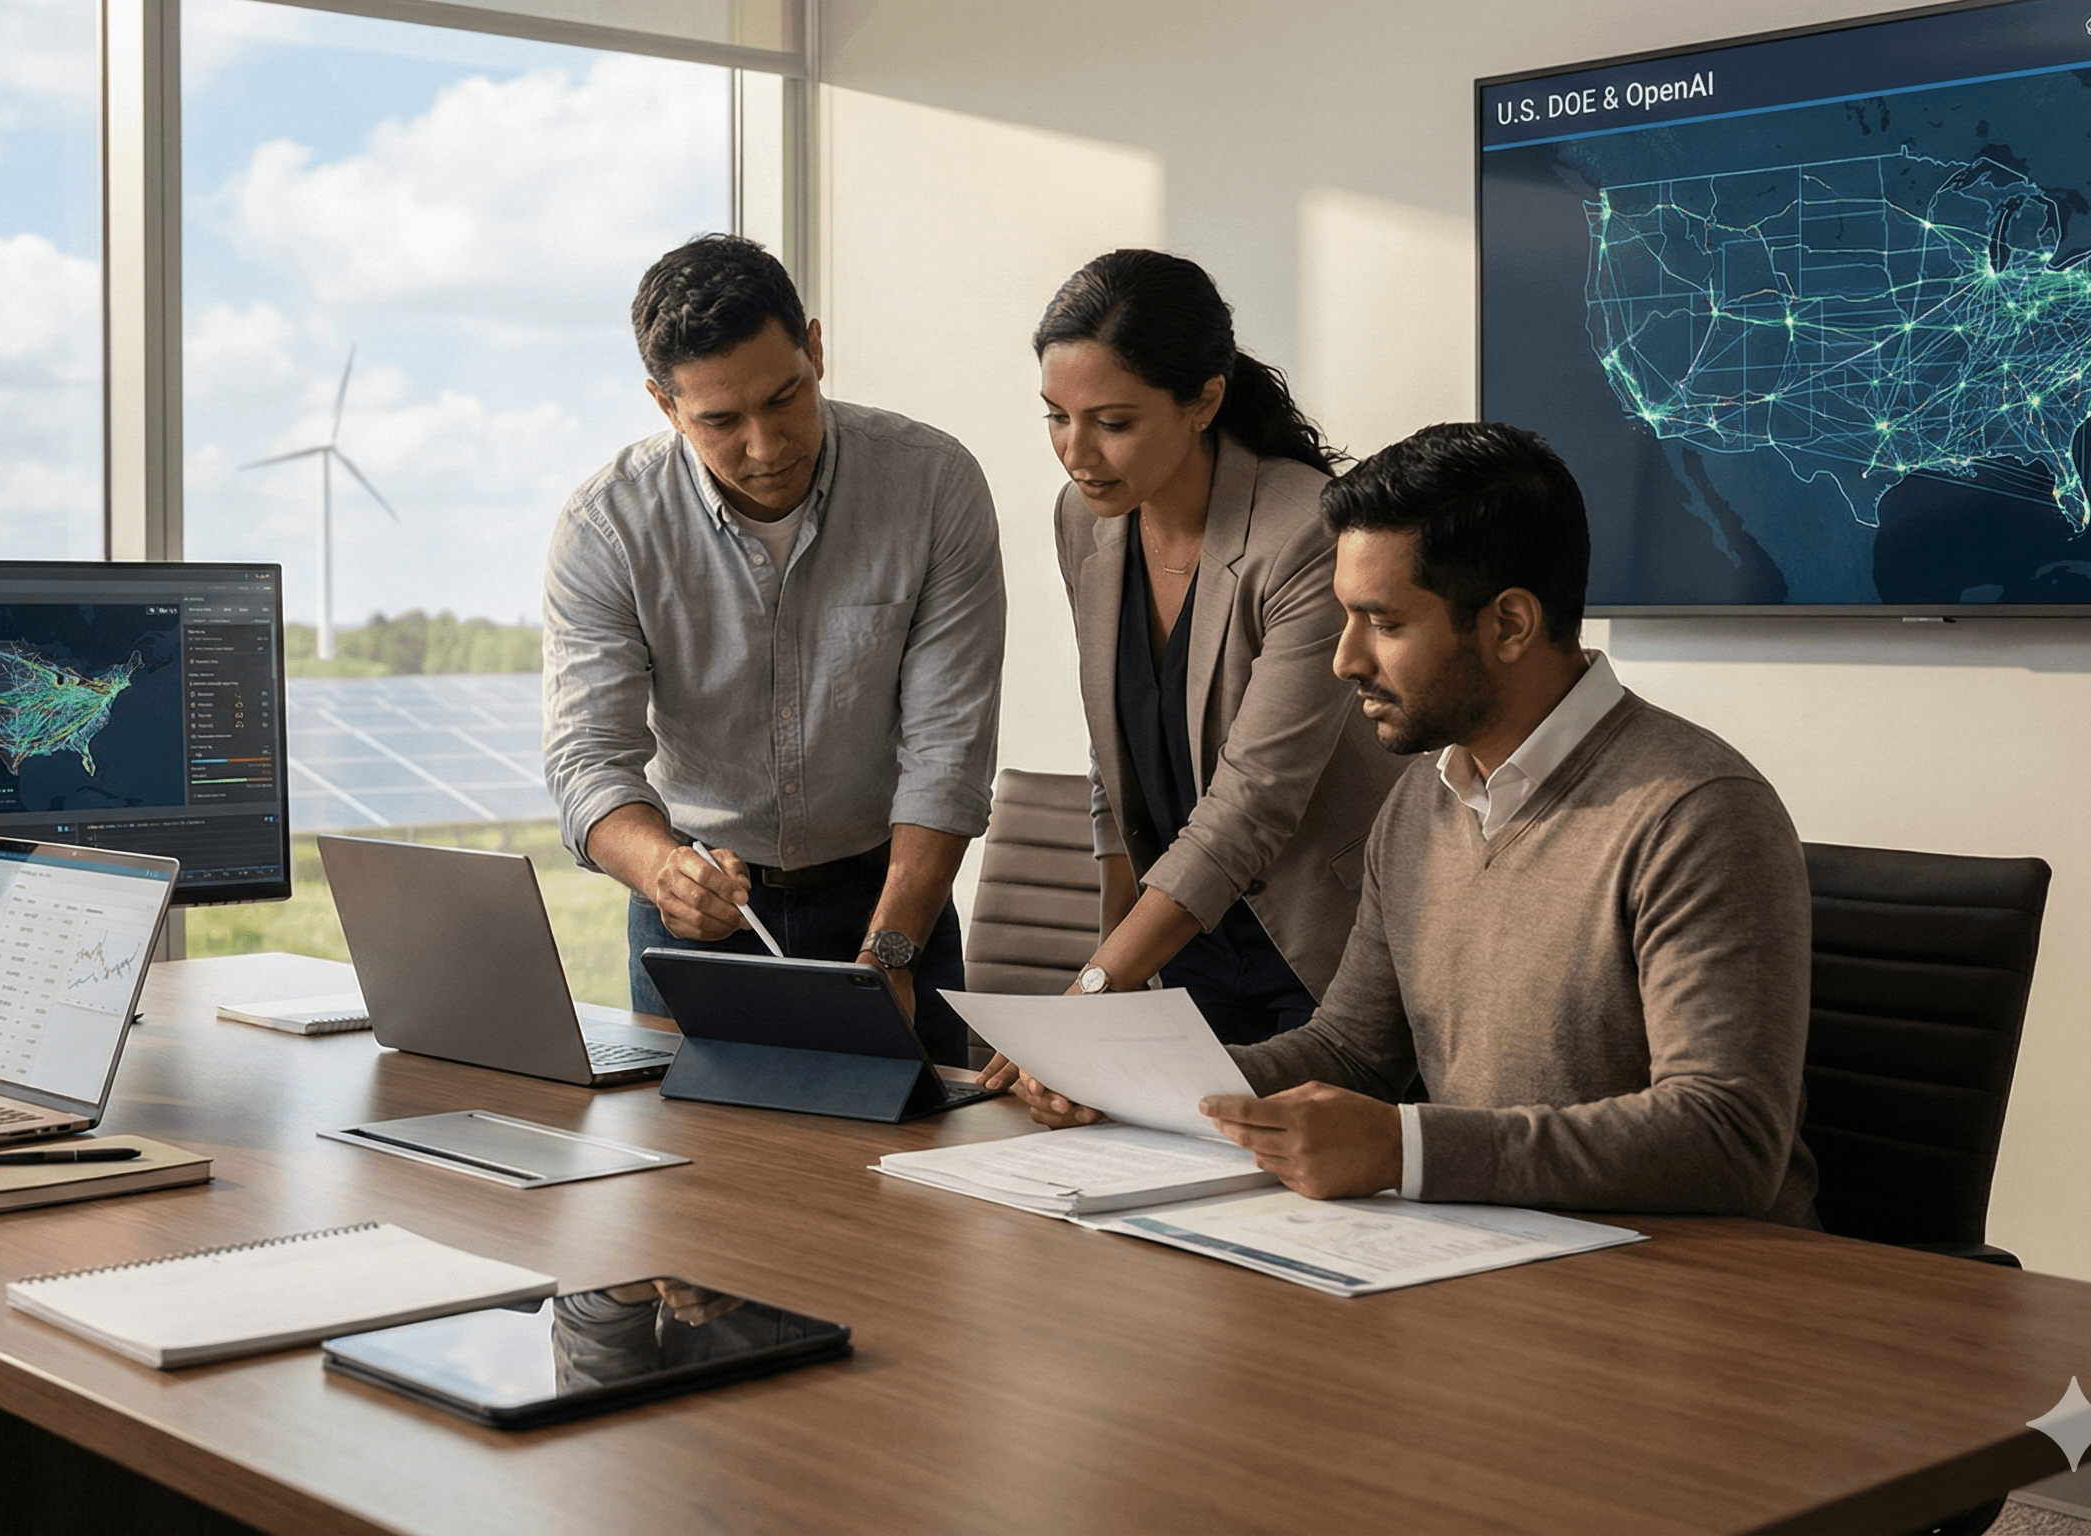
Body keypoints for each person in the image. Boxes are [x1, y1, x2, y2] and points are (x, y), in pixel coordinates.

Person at [1012, 422, 1819, 1224]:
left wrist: (1407, 1150)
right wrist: (1130, 1084)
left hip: (1694, 1293)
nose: (1346, 659)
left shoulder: (1698, 814)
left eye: (1385, 624)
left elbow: (1728, 1139)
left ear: (1509, 624)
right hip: (1499, 1258)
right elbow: (1350, 1053)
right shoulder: (1420, 803)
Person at [543, 234, 1006, 1065]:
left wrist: (892, 949)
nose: (766, 446)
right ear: (664, 403)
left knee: (925, 1178)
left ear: (816, 350)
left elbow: (948, 751)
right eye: (720, 421)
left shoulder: (932, 485)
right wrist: (661, 872)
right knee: (705, 1184)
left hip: (893, 899)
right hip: (694, 912)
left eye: (785, 397)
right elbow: (587, 760)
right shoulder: (607, 528)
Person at [1007, 250, 1407, 1051]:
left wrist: (1097, 985)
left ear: (1204, 402)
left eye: (1113, 423)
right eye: (1057, 416)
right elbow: (1114, 754)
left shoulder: (1305, 530)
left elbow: (1254, 797)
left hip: (1328, 950)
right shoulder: (1085, 518)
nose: (1077, 454)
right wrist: (1119, 979)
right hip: (1183, 949)